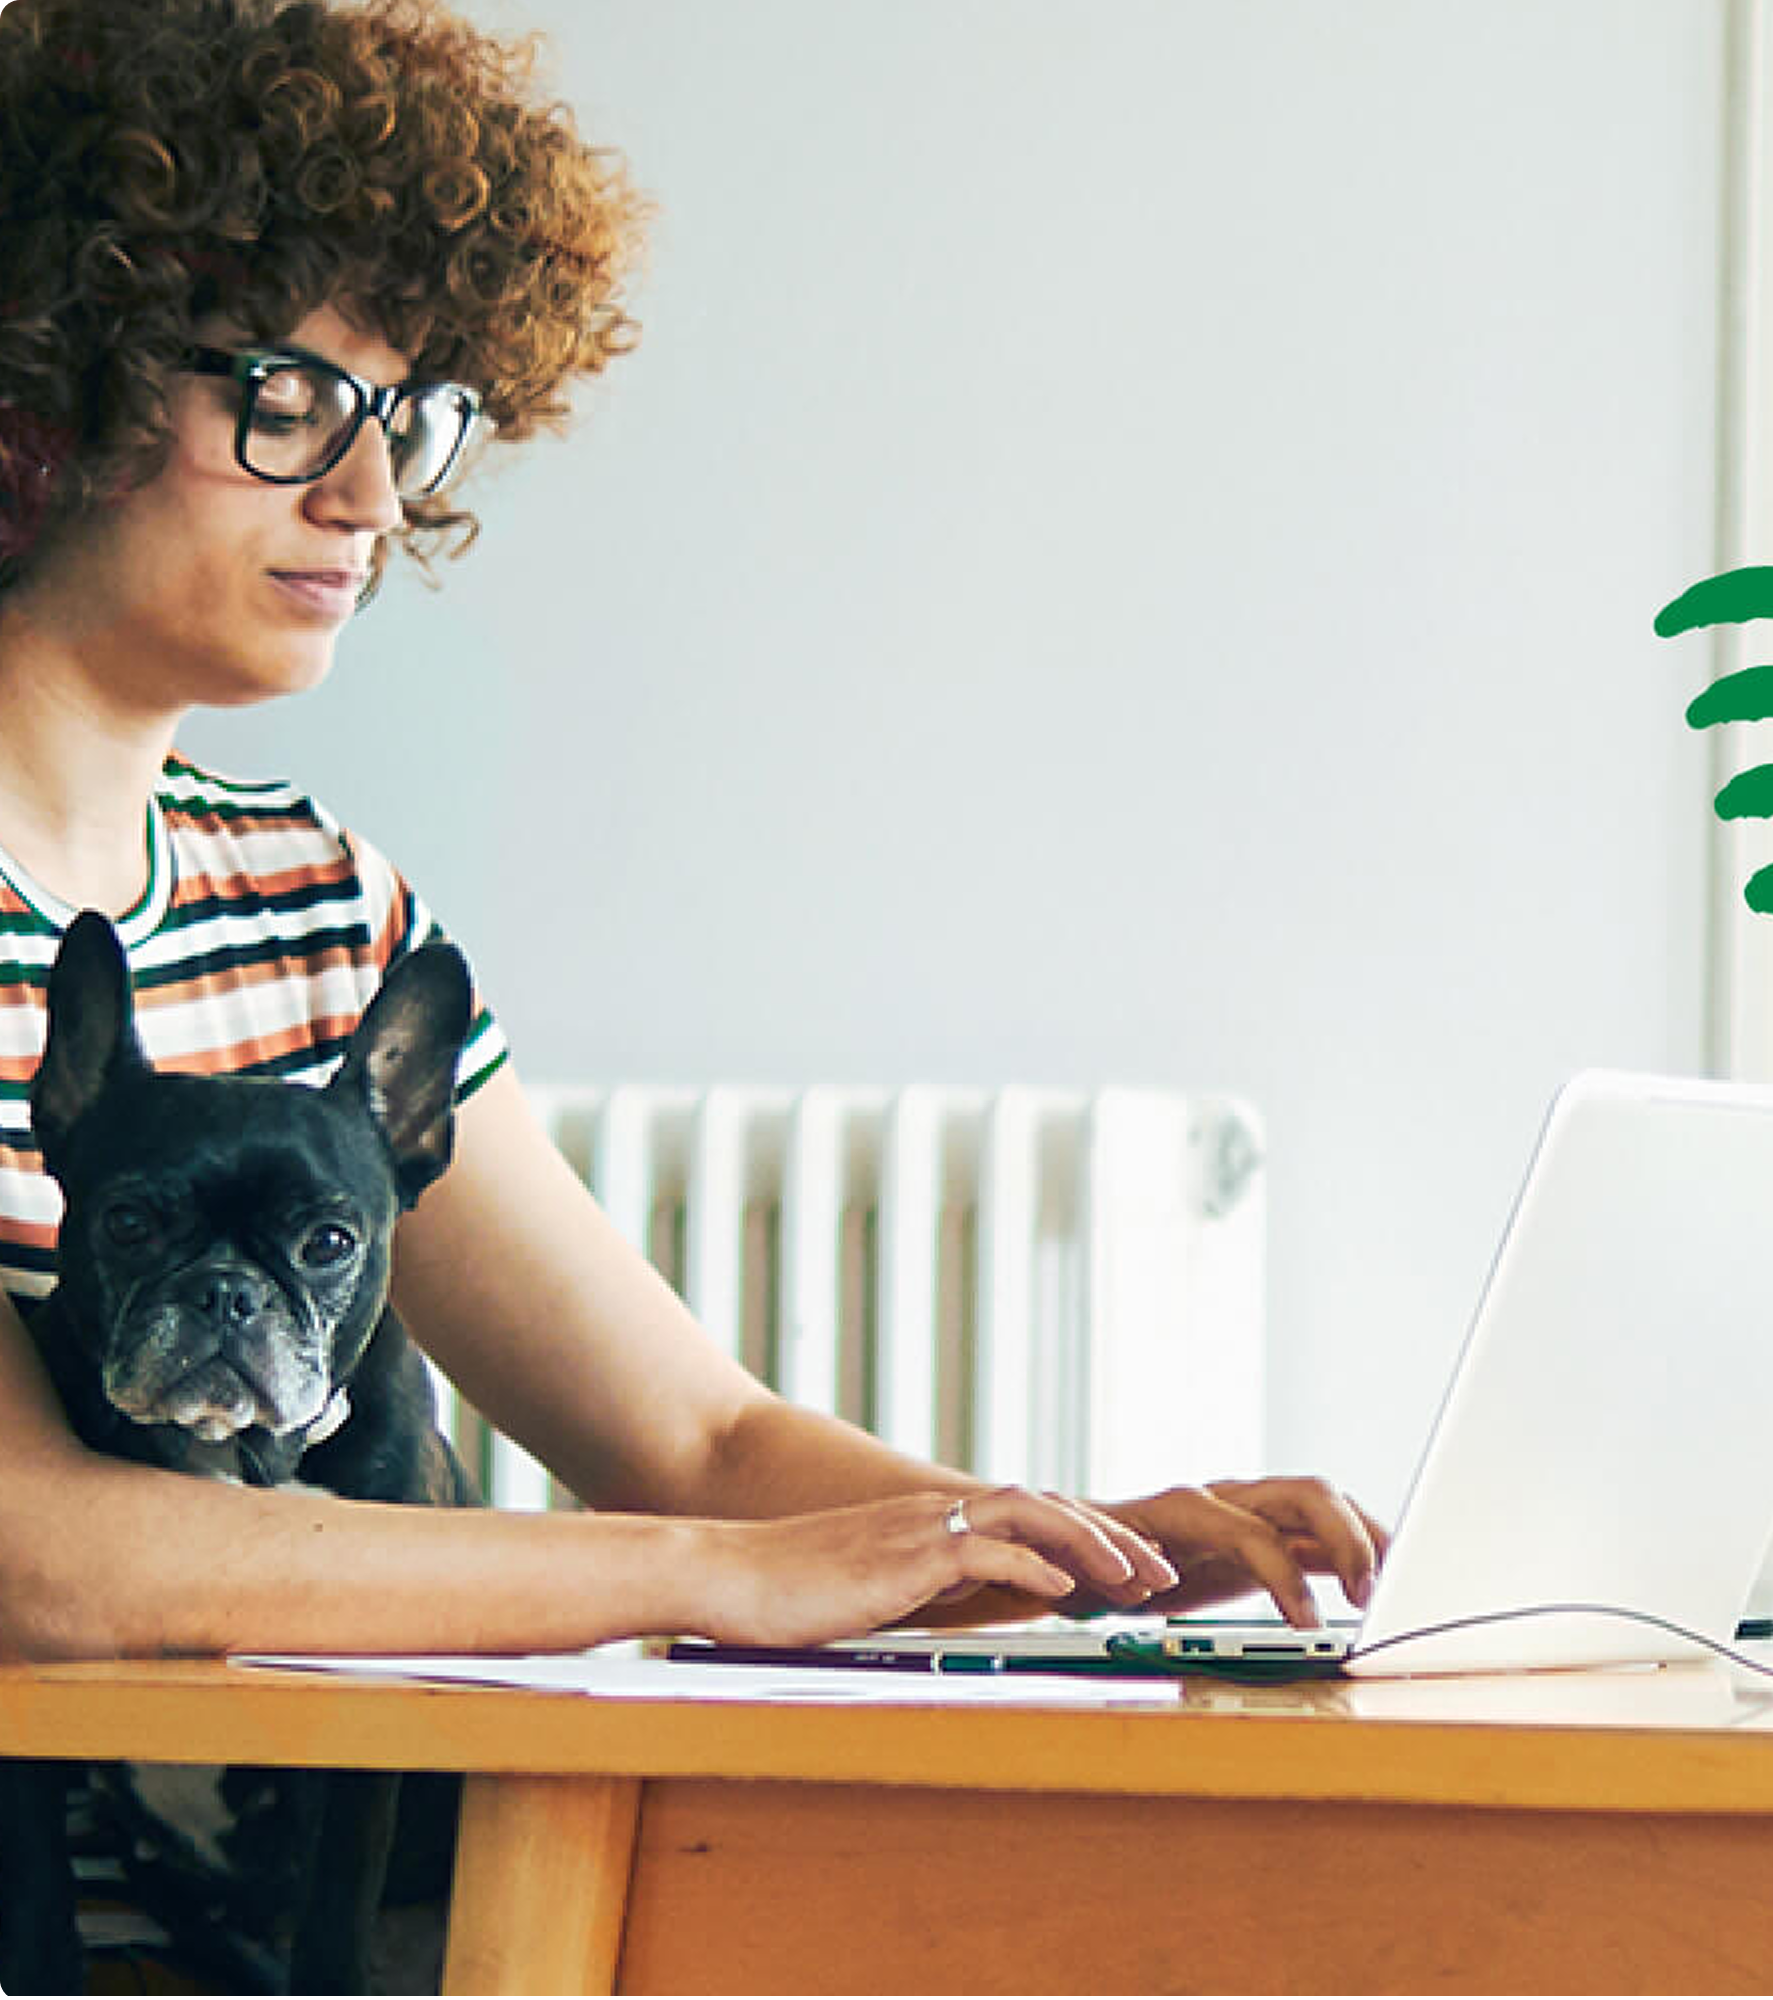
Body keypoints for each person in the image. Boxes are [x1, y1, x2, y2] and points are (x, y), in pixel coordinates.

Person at [0, 0, 1386, 1672]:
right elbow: (52, 1566)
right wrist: (707, 1577)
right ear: (45, 388)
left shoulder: (314, 902)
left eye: (406, 416)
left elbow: (701, 1449)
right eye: (288, 400)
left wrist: (1090, 1550)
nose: (370, 500)